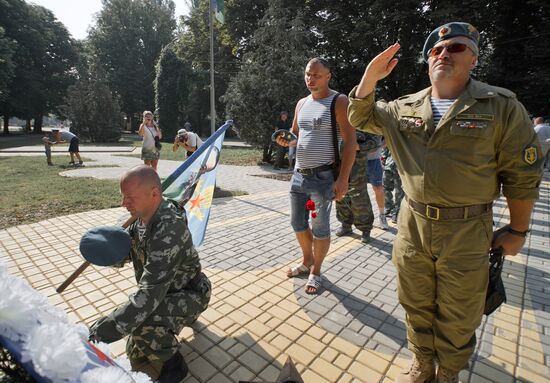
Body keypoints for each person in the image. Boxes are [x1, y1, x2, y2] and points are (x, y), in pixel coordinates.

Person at [347, 22, 542, 383]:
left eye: (455, 48)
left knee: (461, 310)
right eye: (436, 50)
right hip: (413, 224)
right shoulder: (404, 107)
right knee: (415, 301)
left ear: (474, 58)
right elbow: (359, 115)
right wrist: (370, 76)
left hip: (468, 228)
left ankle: (449, 370)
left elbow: (523, 174)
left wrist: (517, 229)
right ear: (428, 61)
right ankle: (423, 362)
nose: (443, 54)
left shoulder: (500, 106)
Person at [88, 165, 211, 382]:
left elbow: (148, 296)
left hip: (191, 293)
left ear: (154, 194)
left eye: (130, 198)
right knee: (136, 348)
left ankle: (175, 366)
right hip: (167, 292)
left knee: (142, 323)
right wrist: (105, 250)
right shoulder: (142, 218)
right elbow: (128, 250)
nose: (124, 204)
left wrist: (98, 333)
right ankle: (164, 330)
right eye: (123, 197)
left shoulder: (169, 230)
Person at [279, 58, 356, 294]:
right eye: (307, 74)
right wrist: (285, 140)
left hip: (323, 178)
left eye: (317, 75)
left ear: (328, 76)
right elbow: (295, 135)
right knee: (297, 223)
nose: (310, 80)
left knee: (320, 227)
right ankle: (307, 260)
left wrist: (342, 179)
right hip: (298, 176)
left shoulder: (339, 101)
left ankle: (317, 271)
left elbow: (351, 141)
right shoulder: (301, 103)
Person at [335, 132, 375, 243]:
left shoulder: (363, 120)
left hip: (357, 168)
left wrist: (359, 146)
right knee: (341, 196)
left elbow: (374, 143)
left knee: (359, 199)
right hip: (338, 164)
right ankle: (345, 224)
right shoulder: (338, 118)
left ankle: (365, 228)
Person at [366, 138, 389, 229]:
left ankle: (382, 215)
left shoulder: (378, 124)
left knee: (378, 189)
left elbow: (388, 137)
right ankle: (365, 220)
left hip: (374, 160)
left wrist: (377, 147)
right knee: (360, 191)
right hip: (357, 159)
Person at [382, 146, 404, 223]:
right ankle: (388, 207)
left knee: (399, 192)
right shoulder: (393, 135)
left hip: (401, 168)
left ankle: (397, 212)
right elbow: (386, 146)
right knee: (385, 188)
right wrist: (384, 159)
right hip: (389, 166)